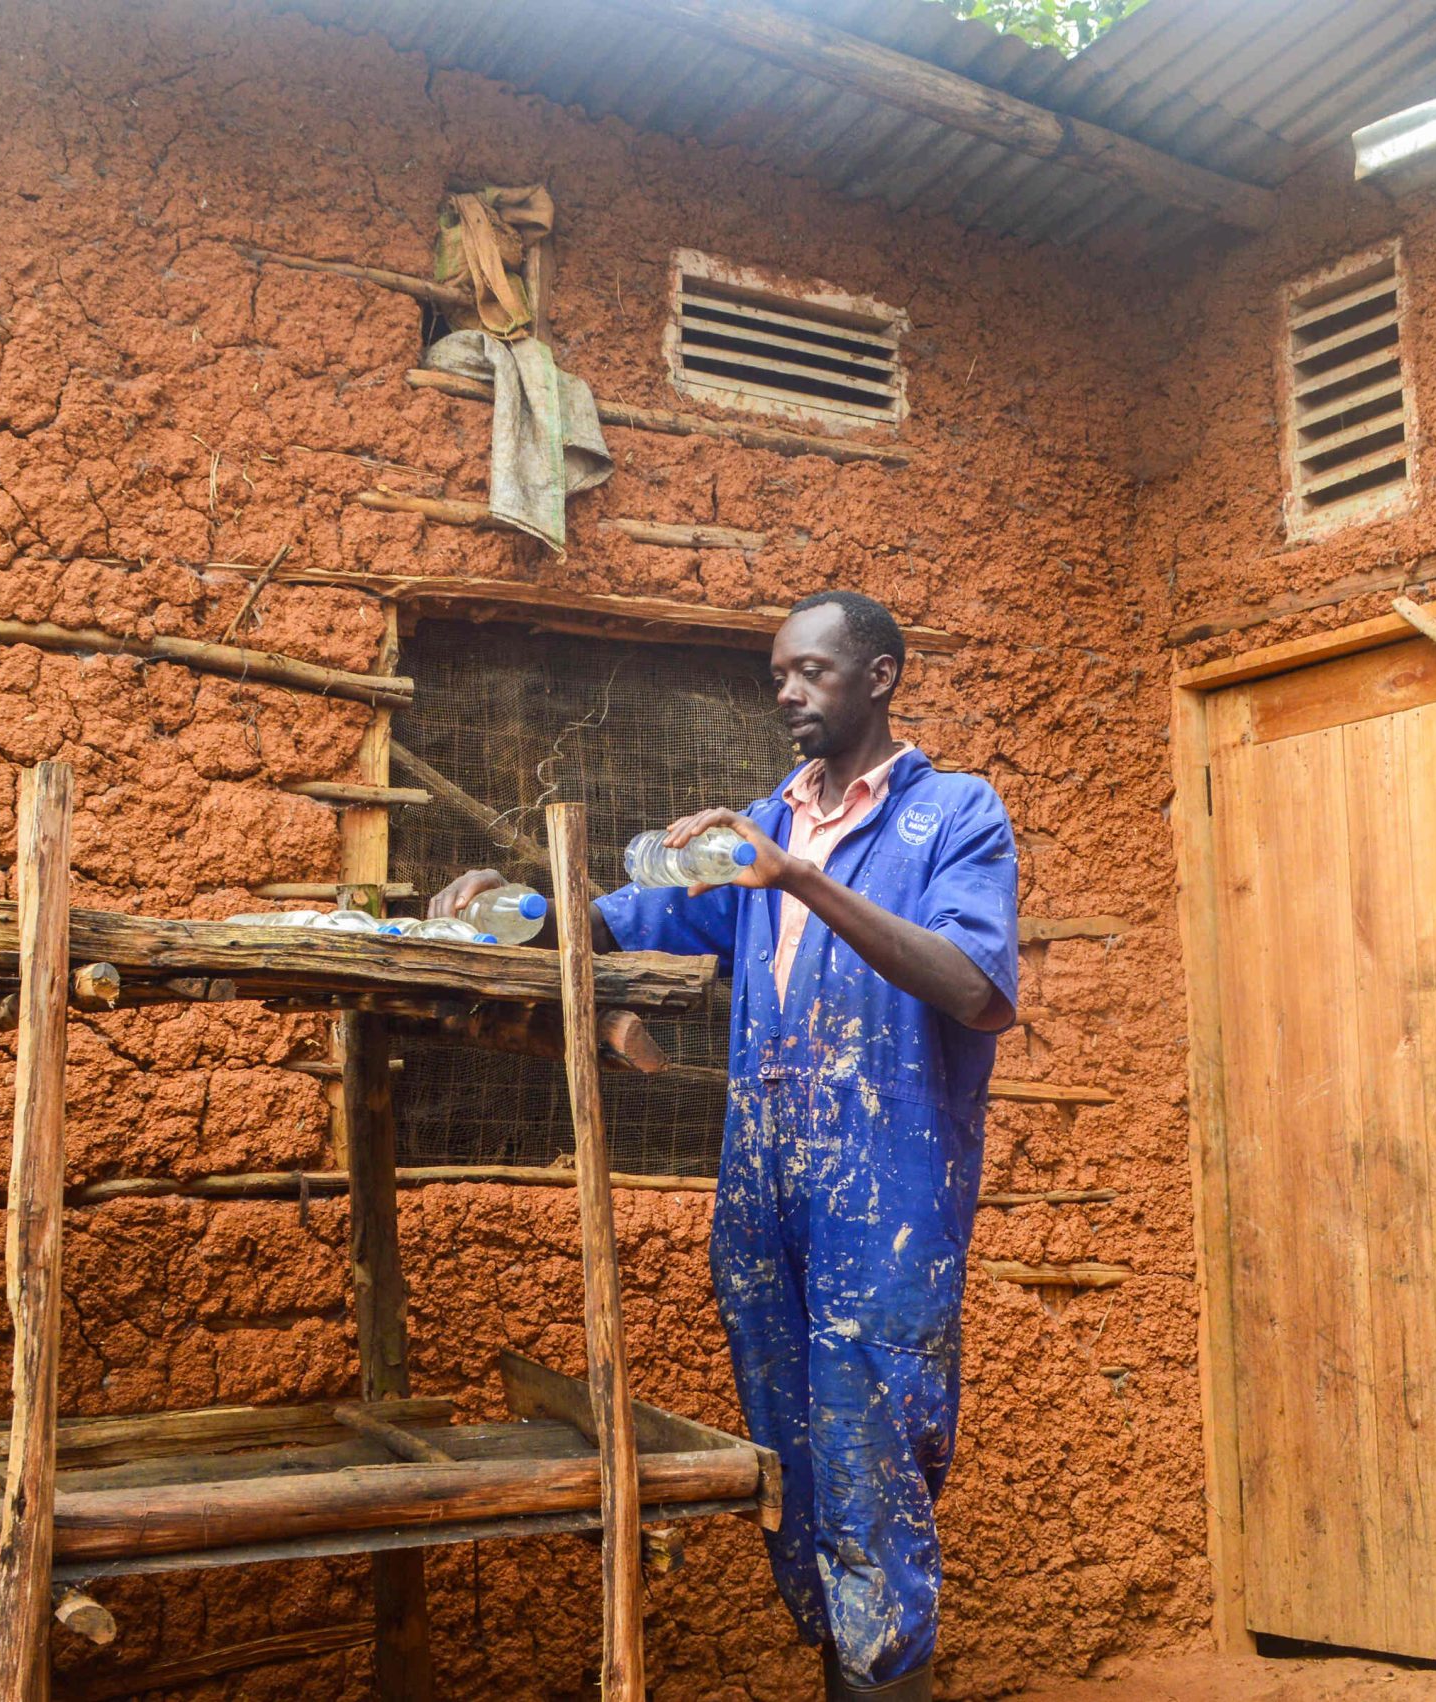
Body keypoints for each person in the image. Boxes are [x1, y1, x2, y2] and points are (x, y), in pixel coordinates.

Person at [431, 589, 1019, 1700]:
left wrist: (797, 877)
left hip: (885, 1197)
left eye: (811, 670)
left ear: (881, 675)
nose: (788, 692)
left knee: (873, 1462)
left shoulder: (950, 817)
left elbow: (977, 990)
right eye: (778, 676)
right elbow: (607, 919)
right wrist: (508, 904)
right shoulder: (766, 824)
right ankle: (841, 1665)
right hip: (762, 1191)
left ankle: (885, 1673)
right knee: (793, 1470)